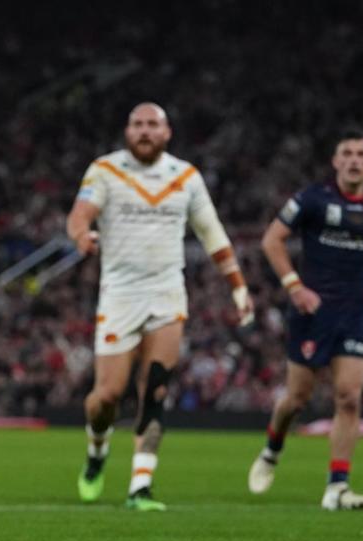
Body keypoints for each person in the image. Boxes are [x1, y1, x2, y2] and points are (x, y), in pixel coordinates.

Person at [65, 102, 254, 511]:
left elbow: (213, 235)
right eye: (138, 124)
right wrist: (82, 236)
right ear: (127, 131)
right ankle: (97, 451)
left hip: (167, 293)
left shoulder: (185, 177)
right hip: (119, 295)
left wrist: (238, 286)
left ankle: (140, 486)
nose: (145, 131)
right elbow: (80, 215)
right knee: (106, 399)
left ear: (167, 133)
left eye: (153, 125)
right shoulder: (105, 170)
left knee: (156, 389)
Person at [248, 128, 363, 510]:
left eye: (361, 154)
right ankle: (271, 451)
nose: (354, 160)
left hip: (353, 315)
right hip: (310, 313)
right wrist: (294, 286)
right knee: (296, 399)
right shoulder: (312, 199)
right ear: (336, 161)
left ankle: (337, 487)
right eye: (346, 153)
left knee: (349, 397)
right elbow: (272, 239)